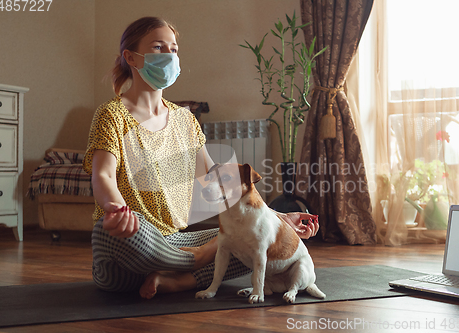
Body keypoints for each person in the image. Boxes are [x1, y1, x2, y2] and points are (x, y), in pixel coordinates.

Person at [83, 16, 319, 299]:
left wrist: (278, 220)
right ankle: (191, 264)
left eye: (174, 49)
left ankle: (174, 280)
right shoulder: (111, 114)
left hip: (176, 241)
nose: (169, 56)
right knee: (107, 233)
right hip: (130, 249)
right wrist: (117, 212)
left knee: (253, 237)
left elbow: (220, 182)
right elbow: (104, 175)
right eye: (159, 48)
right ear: (131, 57)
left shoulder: (185, 120)